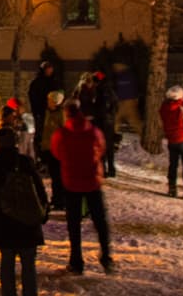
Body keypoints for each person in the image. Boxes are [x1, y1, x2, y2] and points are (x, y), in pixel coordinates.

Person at [51, 99, 114, 275]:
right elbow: (101, 148)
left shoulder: (62, 133)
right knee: (100, 221)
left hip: (72, 183)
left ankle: (76, 261)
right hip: (92, 181)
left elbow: (57, 152)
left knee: (74, 224)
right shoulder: (93, 131)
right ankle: (106, 257)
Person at [0, 126, 47, 296]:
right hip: (28, 223)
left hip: (4, 223)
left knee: (7, 263)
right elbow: (39, 190)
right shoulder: (25, 162)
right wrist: (42, 214)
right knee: (28, 265)